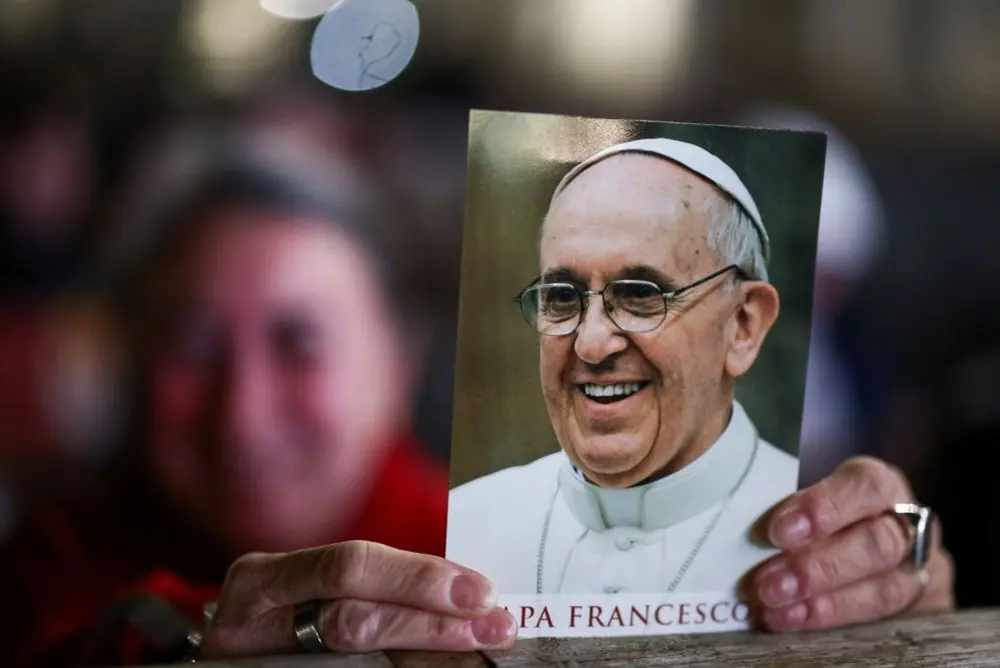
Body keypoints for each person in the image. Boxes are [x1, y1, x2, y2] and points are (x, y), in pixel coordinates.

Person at [0, 130, 458, 666]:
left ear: (399, 366)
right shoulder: (55, 569)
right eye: (192, 345)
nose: (242, 415)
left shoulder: (499, 570)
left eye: (298, 344)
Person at [445, 138, 796, 596]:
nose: (591, 345)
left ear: (743, 325)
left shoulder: (815, 542)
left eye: (641, 294)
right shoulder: (465, 527)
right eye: (563, 297)